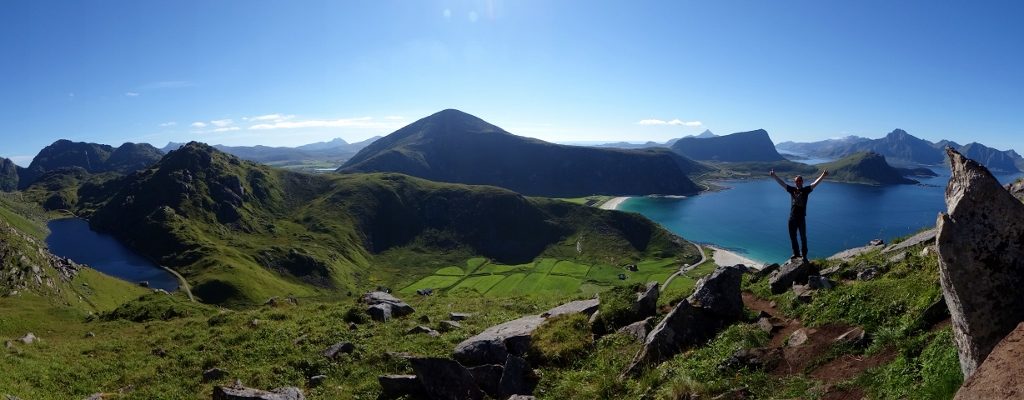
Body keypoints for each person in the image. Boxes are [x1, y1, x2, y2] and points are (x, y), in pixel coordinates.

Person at [770, 169, 828, 261]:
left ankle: (804, 255)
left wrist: (823, 175)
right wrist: (774, 176)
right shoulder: (792, 190)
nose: (798, 182)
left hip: (801, 218)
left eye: (800, 181)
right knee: (793, 237)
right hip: (792, 218)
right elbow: (782, 183)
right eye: (797, 181)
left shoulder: (806, 190)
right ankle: (796, 253)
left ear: (802, 182)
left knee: (803, 238)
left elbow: (814, 183)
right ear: (795, 182)